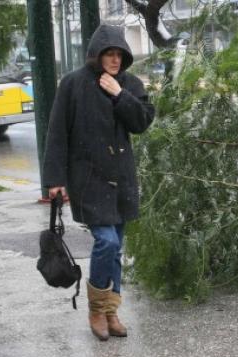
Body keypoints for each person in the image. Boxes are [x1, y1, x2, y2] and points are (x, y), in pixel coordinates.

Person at [43, 24, 155, 341]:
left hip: (122, 180)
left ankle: (111, 311)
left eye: (119, 54)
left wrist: (120, 95)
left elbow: (142, 121)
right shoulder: (73, 84)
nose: (115, 60)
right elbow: (57, 134)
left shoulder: (129, 83)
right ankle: (96, 309)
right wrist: (54, 179)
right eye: (109, 54)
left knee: (116, 248)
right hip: (88, 179)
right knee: (106, 241)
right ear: (97, 55)